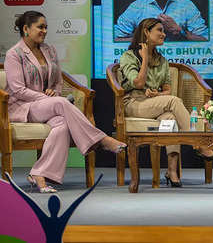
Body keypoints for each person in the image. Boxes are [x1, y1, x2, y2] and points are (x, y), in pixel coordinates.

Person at [5, 11, 127, 193]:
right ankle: (101, 140)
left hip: (47, 104)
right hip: (24, 107)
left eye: (46, 27)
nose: (44, 31)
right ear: (26, 29)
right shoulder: (14, 54)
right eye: (40, 27)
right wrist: (49, 98)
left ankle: (39, 174)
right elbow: (18, 90)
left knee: (62, 125)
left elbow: (57, 81)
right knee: (62, 104)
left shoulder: (49, 50)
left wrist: (54, 91)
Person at [118, 18, 213, 187]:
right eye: (159, 30)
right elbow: (138, 83)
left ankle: (172, 172)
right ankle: (199, 143)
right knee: (173, 101)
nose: (164, 34)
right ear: (146, 32)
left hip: (155, 103)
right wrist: (144, 60)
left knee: (170, 119)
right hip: (134, 103)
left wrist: (158, 93)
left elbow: (167, 90)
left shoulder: (162, 60)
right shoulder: (129, 56)